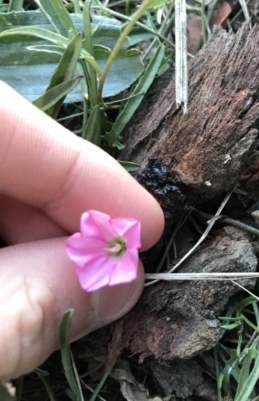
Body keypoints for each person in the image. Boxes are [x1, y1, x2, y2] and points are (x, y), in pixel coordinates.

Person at [0, 81, 165, 381]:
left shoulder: (121, 235)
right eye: (117, 244)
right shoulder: (114, 240)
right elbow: (84, 247)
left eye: (118, 244)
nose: (117, 246)